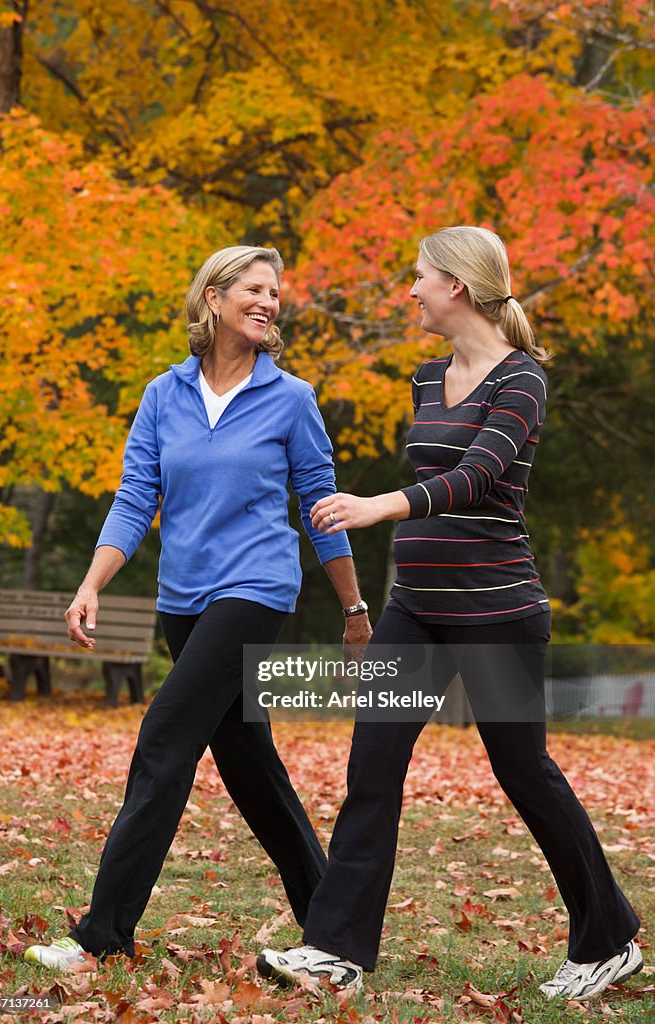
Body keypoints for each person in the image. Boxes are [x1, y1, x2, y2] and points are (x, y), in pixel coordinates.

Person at [257, 227, 642, 1001]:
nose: (410, 292)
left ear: (457, 287)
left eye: (420, 278)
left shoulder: (521, 379)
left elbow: (475, 477)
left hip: (496, 610)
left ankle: (608, 940)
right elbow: (443, 476)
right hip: (415, 610)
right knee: (371, 769)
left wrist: (377, 507)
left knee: (523, 772)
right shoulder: (427, 378)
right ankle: (335, 952)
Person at [24, 244, 371, 968]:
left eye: (274, 293)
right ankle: (332, 930)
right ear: (211, 298)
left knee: (163, 739)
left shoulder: (291, 399)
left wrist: (353, 608)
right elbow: (134, 498)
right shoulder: (164, 394)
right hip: (183, 600)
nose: (268, 302)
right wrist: (91, 583)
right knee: (251, 768)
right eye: (253, 288)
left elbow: (320, 508)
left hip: (255, 590)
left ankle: (101, 937)